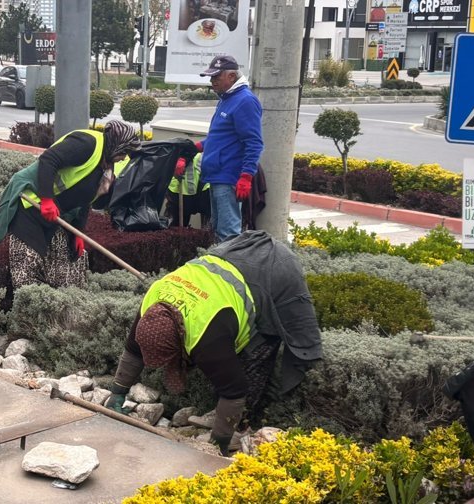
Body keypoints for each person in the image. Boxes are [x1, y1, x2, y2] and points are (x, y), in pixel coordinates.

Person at [104, 230, 323, 455]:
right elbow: (133, 351)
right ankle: (220, 416)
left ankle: (240, 427)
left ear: (180, 342)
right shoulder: (151, 305)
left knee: (255, 357)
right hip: (228, 258)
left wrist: (217, 445)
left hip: (271, 273)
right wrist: (117, 395)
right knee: (225, 363)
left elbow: (235, 390)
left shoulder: (208, 338)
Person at [0, 120, 142, 289]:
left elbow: (85, 200)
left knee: (68, 266)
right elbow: (48, 160)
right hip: (30, 204)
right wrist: (47, 199)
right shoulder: (87, 144)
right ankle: (29, 305)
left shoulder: (106, 164)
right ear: (117, 144)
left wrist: (78, 232)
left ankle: (57, 306)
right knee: (27, 264)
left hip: (57, 214)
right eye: (125, 151)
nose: (125, 157)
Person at [195, 55, 263, 243]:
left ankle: (230, 270)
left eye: (217, 77)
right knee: (217, 230)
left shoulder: (245, 101)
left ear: (231, 76)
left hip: (228, 178)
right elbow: (222, 136)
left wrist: (246, 176)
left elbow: (254, 142)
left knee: (228, 234)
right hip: (217, 176)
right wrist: (197, 147)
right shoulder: (227, 98)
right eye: (211, 77)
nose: (212, 81)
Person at [165, 153, 210, 228]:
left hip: (193, 191)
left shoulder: (198, 156)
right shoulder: (176, 155)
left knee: (180, 222)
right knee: (177, 222)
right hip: (179, 191)